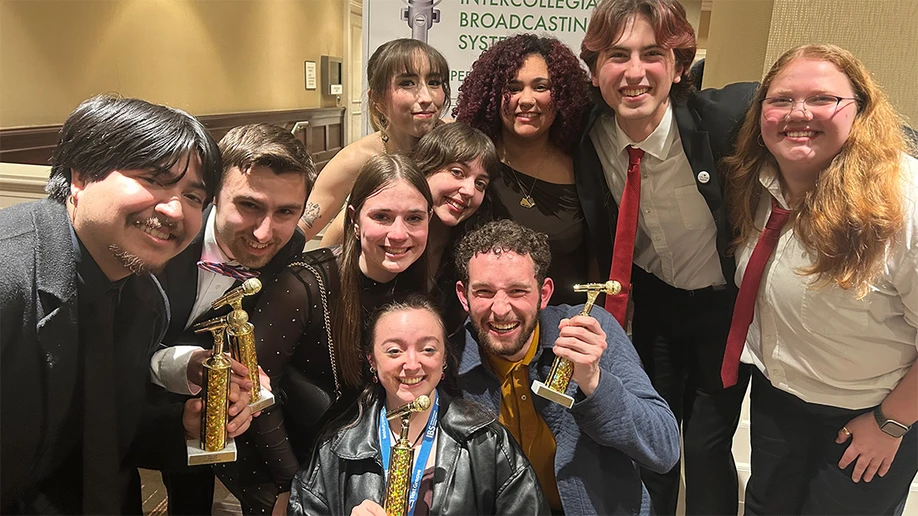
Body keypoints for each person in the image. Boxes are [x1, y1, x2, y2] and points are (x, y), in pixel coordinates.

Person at [0, 94, 253, 513]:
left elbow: (100, 433)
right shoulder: (9, 278)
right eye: (153, 178)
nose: (174, 209)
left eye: (193, 197)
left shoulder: (145, 299)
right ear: (80, 176)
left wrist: (183, 426)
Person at [574, 1, 758, 513]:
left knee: (703, 447)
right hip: (653, 305)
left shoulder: (724, 121)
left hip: (724, 310)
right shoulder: (587, 135)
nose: (634, 72)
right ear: (595, 70)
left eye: (652, 54)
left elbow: (819, 115)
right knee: (652, 440)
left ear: (678, 67)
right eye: (617, 55)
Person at [722, 44, 918, 515]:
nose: (799, 113)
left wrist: (891, 424)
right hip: (778, 401)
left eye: (823, 99)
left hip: (868, 414)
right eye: (781, 100)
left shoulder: (903, 202)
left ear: (860, 109)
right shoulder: (757, 182)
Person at [222, 153, 434, 514]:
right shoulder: (303, 284)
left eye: (413, 218)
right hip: (278, 458)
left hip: (356, 458)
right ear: (354, 219)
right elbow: (253, 393)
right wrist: (291, 486)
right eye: (381, 217)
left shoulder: (418, 287)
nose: (398, 234)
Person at [452, 219, 680, 515]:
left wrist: (594, 382)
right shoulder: (449, 359)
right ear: (463, 296)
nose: (500, 308)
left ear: (544, 293)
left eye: (518, 291)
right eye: (484, 292)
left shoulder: (592, 331)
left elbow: (664, 449)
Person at [147, 123, 316, 515]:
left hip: (208, 394)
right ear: (213, 195)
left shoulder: (288, 244)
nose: (264, 232)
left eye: (286, 211)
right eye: (249, 205)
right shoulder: (161, 238)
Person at [289, 294, 548, 515]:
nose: (412, 364)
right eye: (394, 351)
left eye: (428, 349)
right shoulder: (337, 449)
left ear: (444, 357)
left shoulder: (485, 441)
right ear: (372, 360)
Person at [454, 34, 594, 305]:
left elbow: (597, 258)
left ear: (562, 95)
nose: (526, 99)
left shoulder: (585, 164)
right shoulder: (469, 162)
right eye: (513, 87)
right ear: (492, 95)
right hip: (477, 323)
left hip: (564, 327)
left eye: (541, 87)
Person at [323, 121, 499, 332]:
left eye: (480, 183)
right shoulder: (372, 218)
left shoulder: (470, 249)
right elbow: (325, 275)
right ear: (426, 167)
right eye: (457, 172)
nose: (469, 190)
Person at [298, 38, 449, 243]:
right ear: (377, 99)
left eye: (434, 82)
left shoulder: (457, 144)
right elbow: (306, 233)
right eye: (407, 83)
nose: (426, 97)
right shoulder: (358, 158)